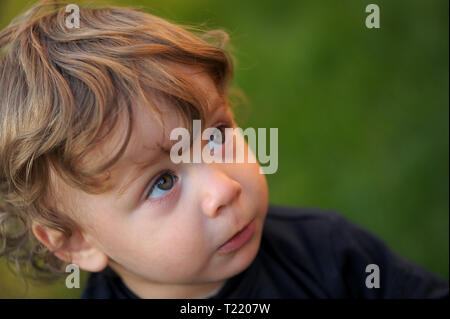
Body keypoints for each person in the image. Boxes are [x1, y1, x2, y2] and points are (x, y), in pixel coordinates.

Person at [0, 1, 447, 299]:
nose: (224, 189)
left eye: (214, 135)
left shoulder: (329, 255)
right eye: (162, 182)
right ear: (77, 243)